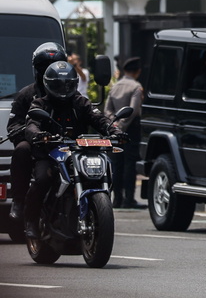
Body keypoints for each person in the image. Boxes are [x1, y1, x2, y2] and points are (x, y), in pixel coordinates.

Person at [23, 61, 126, 238]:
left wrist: (115, 131)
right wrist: (39, 135)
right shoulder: (40, 104)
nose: (63, 88)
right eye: (58, 84)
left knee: (104, 169)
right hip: (49, 152)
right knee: (42, 179)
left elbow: (98, 118)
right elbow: (31, 125)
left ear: (74, 84)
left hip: (80, 151)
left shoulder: (81, 102)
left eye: (68, 84)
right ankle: (31, 221)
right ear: (48, 84)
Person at [5, 43, 67, 222]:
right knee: (22, 149)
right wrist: (33, 134)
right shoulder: (27, 94)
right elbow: (13, 126)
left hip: (64, 144)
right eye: (44, 67)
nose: (49, 71)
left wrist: (110, 128)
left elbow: (89, 115)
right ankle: (18, 200)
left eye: (54, 66)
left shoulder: (70, 93)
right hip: (36, 147)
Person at [104, 57, 144, 208]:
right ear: (137, 71)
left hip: (114, 128)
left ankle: (117, 198)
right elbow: (133, 110)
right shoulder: (136, 87)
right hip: (131, 129)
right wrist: (123, 125)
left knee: (116, 164)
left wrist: (114, 124)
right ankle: (129, 199)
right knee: (129, 163)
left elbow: (107, 109)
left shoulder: (115, 86)